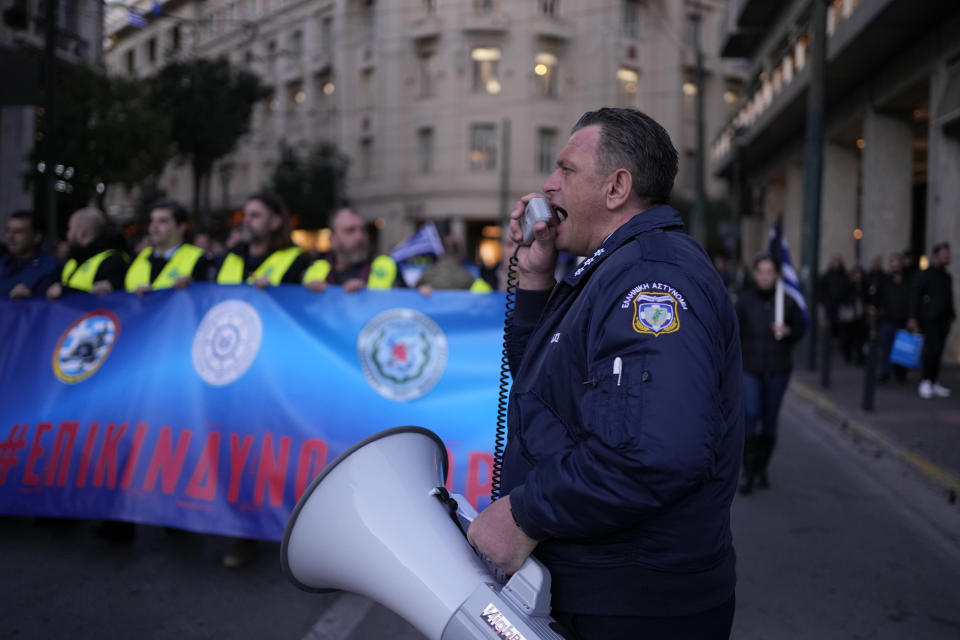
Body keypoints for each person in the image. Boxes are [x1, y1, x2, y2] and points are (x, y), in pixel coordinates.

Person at [466, 108, 742, 639]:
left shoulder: (650, 278)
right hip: (612, 591)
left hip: (634, 607)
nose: (548, 185)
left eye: (565, 170)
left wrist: (523, 513)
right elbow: (542, 386)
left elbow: (655, 451)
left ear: (616, 187)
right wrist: (536, 273)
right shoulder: (614, 267)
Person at [735, 254, 805, 495]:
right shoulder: (744, 301)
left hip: (777, 369)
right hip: (750, 369)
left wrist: (788, 331)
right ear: (755, 274)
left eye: (769, 271)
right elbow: (732, 332)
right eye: (761, 271)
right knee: (751, 415)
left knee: (770, 420)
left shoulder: (786, 301)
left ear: (776, 275)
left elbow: (801, 329)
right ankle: (748, 471)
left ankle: (761, 467)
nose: (765, 276)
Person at [215, 192, 314, 288]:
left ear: (275, 222)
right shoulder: (229, 256)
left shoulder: (297, 262)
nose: (246, 221)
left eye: (255, 215)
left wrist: (273, 293)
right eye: (245, 215)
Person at [301, 207, 402, 292]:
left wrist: (366, 296)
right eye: (350, 231)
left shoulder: (386, 265)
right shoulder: (314, 269)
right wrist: (309, 296)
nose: (360, 237)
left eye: (363, 230)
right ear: (332, 238)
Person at [124, 199, 211, 294]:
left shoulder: (199, 259)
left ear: (181, 227)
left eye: (163, 221)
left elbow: (205, 297)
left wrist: (192, 286)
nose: (154, 226)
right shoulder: (138, 257)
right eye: (152, 220)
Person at [46, 207, 129, 299]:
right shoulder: (73, 262)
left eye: (70, 229)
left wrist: (65, 292)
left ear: (81, 233)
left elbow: (108, 303)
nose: (67, 234)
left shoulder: (112, 262)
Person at [908, 242, 955, 398]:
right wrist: (913, 317)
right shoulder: (925, 275)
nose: (947, 257)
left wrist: (951, 314)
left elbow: (948, 297)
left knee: (938, 350)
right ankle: (925, 380)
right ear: (936, 256)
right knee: (930, 350)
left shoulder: (946, 276)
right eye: (944, 254)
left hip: (944, 319)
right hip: (929, 319)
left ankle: (934, 380)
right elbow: (915, 297)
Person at [0, 210, 60, 299]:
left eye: (18, 232)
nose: (10, 236)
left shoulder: (50, 267)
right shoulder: (3, 263)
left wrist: (32, 295)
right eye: (8, 230)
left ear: (36, 237)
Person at [875, 253, 911, 385]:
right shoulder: (885, 281)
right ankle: (885, 373)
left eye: (898, 262)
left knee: (902, 348)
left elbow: (912, 301)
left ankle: (900, 373)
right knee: (886, 348)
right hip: (888, 319)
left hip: (902, 320)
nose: (895, 265)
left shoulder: (908, 282)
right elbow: (877, 296)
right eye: (893, 262)